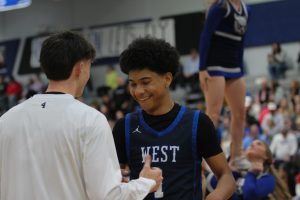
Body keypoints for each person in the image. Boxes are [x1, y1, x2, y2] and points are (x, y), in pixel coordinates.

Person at [0, 31, 163, 200]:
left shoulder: (5, 120)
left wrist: (105, 177)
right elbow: (108, 197)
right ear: (80, 68)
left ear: (44, 67)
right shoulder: (90, 120)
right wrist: (145, 182)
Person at [113, 37, 235, 200]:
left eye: (145, 82)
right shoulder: (124, 127)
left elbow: (226, 176)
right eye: (133, 84)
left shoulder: (197, 122)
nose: (138, 91)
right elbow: (113, 181)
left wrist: (215, 197)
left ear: (167, 79)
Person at [199, 0, 250, 169]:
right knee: (213, 114)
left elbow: (241, 43)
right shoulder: (220, 7)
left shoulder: (246, 9)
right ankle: (206, 158)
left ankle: (236, 155)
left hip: (234, 66)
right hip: (215, 66)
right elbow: (205, 37)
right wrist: (202, 69)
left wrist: (241, 69)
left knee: (240, 113)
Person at [207, 139, 288, 200]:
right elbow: (213, 183)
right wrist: (231, 171)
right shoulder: (237, 170)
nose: (252, 145)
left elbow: (250, 195)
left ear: (266, 156)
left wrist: (251, 173)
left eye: (259, 144)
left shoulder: (269, 178)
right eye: (251, 144)